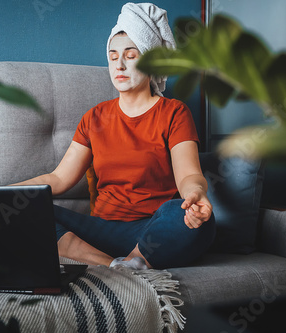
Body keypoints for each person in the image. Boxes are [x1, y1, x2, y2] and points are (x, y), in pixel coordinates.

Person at [14, 3, 215, 270]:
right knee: (24, 211)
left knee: (186, 217)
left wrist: (196, 194)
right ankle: (116, 267)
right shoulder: (94, 118)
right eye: (112, 56)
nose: (119, 64)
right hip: (100, 232)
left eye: (131, 56)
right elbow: (59, 179)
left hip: (154, 229)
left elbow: (188, 175)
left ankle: (136, 260)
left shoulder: (174, 112)